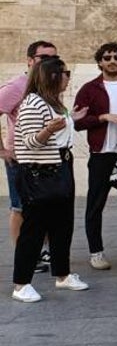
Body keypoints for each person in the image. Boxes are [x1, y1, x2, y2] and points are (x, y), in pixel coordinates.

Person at [11, 57, 90, 302]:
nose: (68, 77)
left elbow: (60, 134)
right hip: (39, 172)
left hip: (59, 167)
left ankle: (63, 275)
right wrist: (49, 130)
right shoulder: (33, 103)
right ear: (52, 76)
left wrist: (70, 120)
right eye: (65, 73)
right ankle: (21, 284)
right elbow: (30, 141)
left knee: (62, 226)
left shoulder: (53, 102)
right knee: (34, 229)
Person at [73, 43, 117, 271]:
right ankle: (96, 252)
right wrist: (103, 117)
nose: (112, 61)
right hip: (102, 153)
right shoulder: (89, 89)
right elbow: (77, 122)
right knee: (95, 204)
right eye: (107, 58)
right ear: (100, 62)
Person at [1, 40, 57, 257]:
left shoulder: (49, 85)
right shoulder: (17, 86)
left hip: (45, 157)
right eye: (44, 58)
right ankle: (21, 254)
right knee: (20, 208)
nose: (49, 62)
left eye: (53, 58)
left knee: (43, 206)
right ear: (30, 60)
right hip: (20, 158)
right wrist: (3, 151)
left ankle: (41, 250)